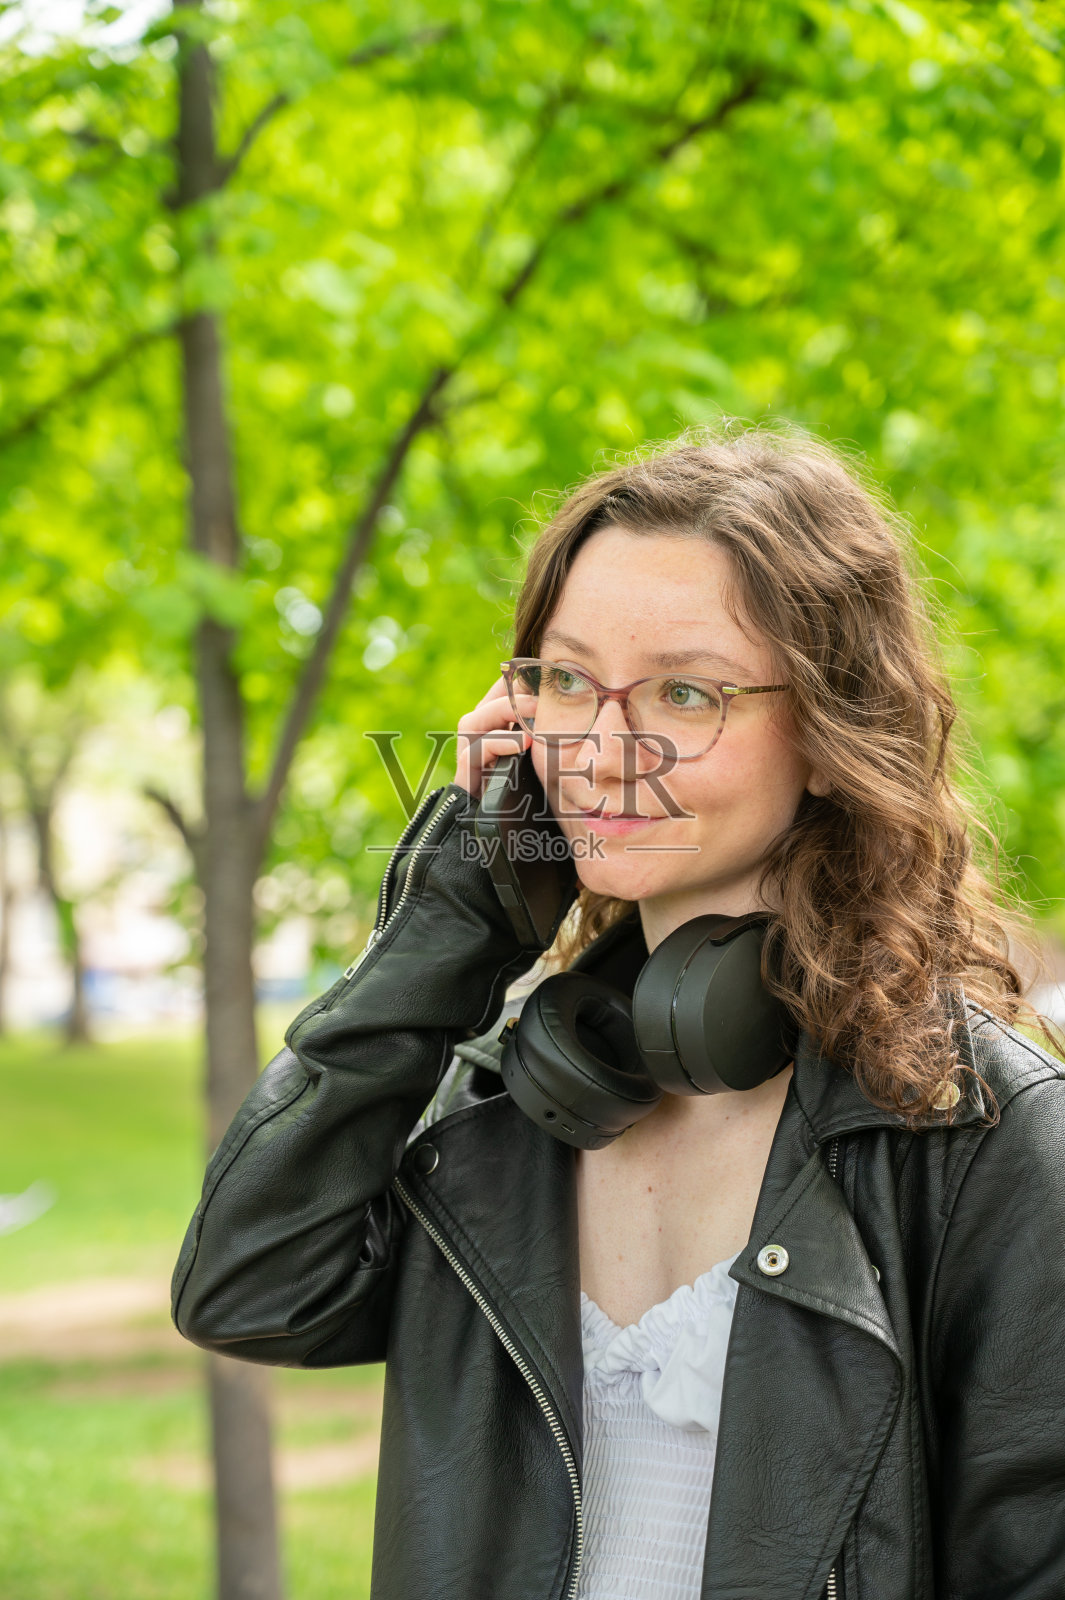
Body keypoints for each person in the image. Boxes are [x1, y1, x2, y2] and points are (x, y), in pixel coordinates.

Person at [172, 425, 1065, 1600]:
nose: (601, 748)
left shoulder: (981, 1140)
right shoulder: (508, 1104)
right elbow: (251, 1286)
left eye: (685, 692)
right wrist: (462, 916)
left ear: (835, 733)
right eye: (566, 679)